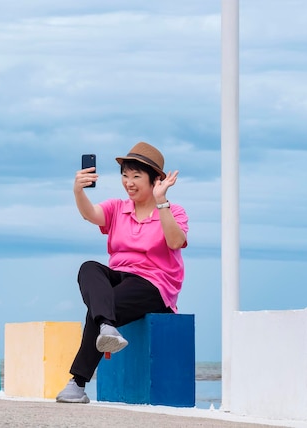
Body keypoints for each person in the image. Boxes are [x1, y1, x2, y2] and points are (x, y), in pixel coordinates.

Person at [56, 141, 189, 404]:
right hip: (120, 275)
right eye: (125, 176)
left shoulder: (174, 211)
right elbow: (90, 215)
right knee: (89, 269)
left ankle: (78, 382)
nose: (129, 182)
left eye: (137, 176)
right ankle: (107, 327)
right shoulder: (118, 207)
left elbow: (175, 242)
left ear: (155, 180)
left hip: (155, 283)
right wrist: (78, 191)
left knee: (102, 306)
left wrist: (161, 203)